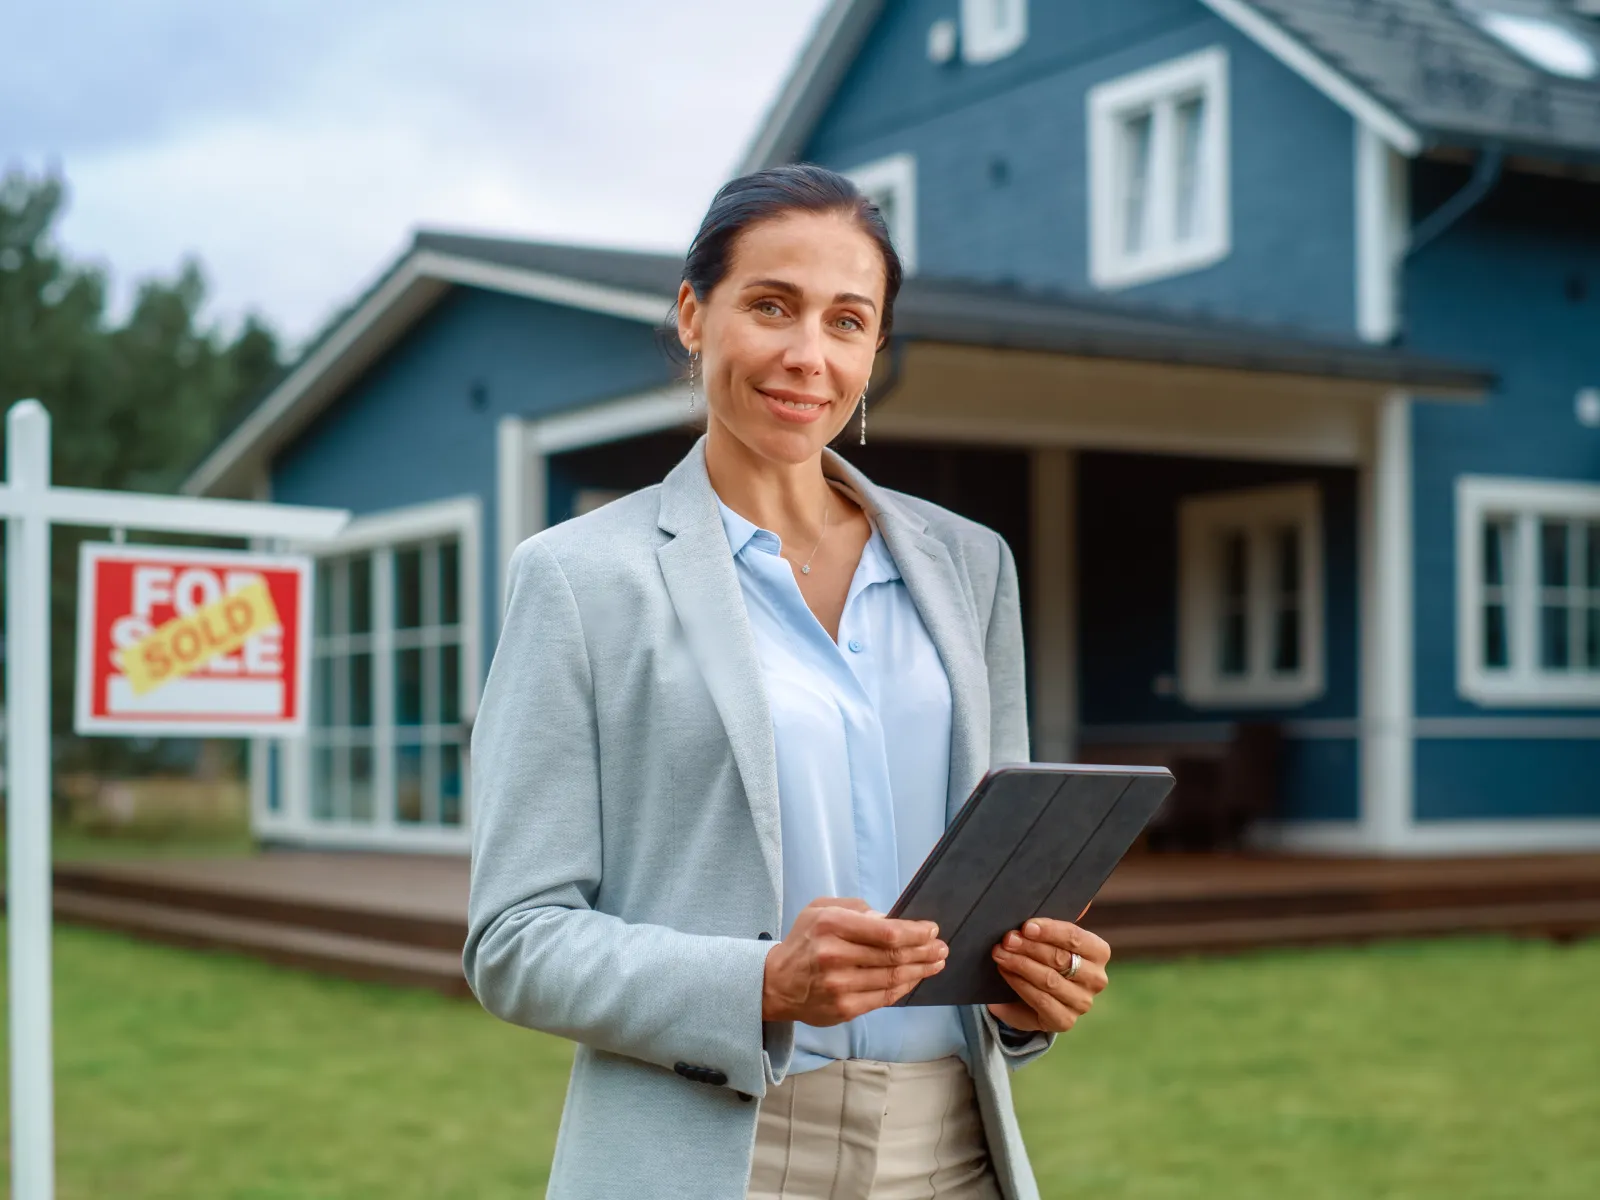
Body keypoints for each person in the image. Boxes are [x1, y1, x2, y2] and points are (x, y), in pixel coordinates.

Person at [464, 164, 1113, 1200]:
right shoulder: (579, 580)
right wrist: (758, 982)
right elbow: (514, 940)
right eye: (771, 306)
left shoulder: (969, 566)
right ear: (693, 313)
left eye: (847, 321)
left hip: (954, 1156)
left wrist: (1025, 991)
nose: (807, 356)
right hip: (721, 1158)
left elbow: (996, 884)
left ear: (874, 350)